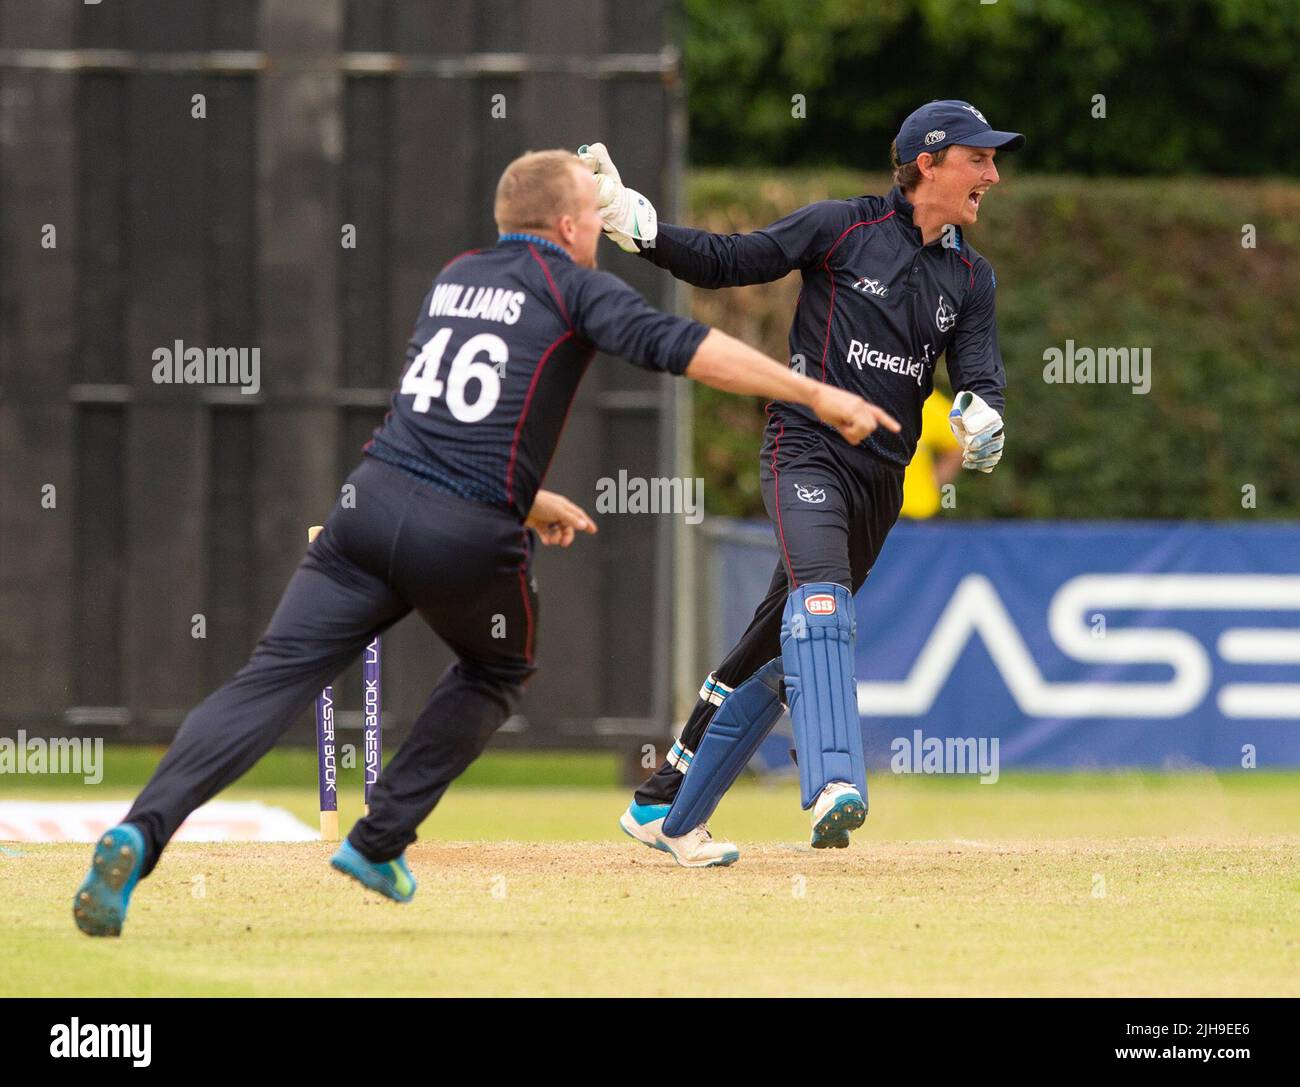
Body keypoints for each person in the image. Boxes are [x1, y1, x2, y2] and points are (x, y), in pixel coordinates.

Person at [73, 150, 898, 936]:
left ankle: (142, 834)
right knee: (497, 666)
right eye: (593, 208)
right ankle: (377, 837)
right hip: (462, 532)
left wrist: (529, 496)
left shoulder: (456, 276)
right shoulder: (573, 287)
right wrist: (815, 394)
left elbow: (438, 416)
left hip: (369, 505)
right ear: (572, 225)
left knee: (264, 683)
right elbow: (689, 349)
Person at [582, 99, 1021, 863]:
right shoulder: (842, 228)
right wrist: (633, 221)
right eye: (979, 159)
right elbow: (728, 260)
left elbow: (979, 371)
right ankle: (832, 783)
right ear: (929, 162)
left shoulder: (971, 277)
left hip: (883, 481)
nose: (993, 173)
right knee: (822, 601)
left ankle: (668, 810)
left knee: (777, 649)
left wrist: (985, 414)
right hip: (807, 449)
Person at [900, 389, 963, 519]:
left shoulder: (925, 400)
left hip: (915, 514)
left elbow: (959, 442)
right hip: (865, 513)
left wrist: (934, 481)